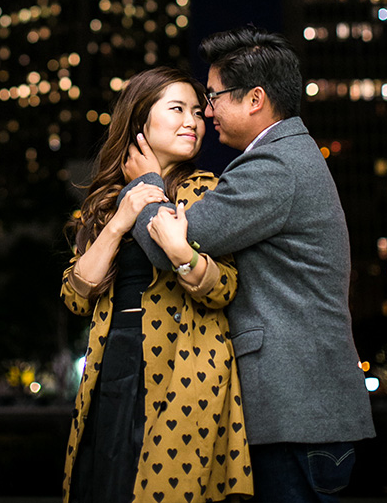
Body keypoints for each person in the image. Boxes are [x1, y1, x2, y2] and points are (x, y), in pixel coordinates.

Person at [123, 28, 375, 503]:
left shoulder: (273, 168)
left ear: (255, 98)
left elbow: (165, 245)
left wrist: (147, 183)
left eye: (213, 97)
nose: (208, 111)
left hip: (295, 415)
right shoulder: (290, 156)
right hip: (306, 414)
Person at [61, 66, 254, 503]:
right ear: (139, 121)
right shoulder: (106, 200)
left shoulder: (208, 190)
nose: (193, 120)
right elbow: (76, 296)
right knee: (107, 480)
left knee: (165, 487)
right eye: (177, 109)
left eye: (197, 111)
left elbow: (223, 287)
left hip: (186, 362)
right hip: (116, 357)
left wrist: (151, 188)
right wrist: (120, 220)